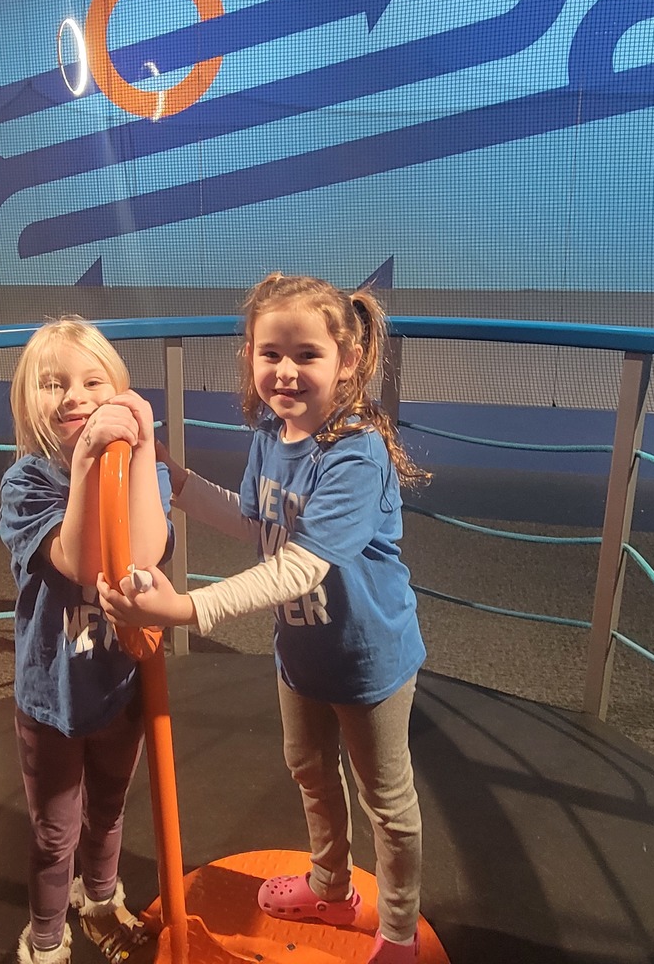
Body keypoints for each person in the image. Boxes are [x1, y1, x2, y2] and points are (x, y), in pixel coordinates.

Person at [98, 273, 431, 964]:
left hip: (369, 661)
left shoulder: (355, 454)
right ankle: (330, 886)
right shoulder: (269, 437)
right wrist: (179, 482)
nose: (286, 370)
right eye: (269, 352)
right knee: (308, 766)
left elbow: (300, 566)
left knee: (387, 803)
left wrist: (187, 608)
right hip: (301, 654)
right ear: (249, 355)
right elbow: (258, 525)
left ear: (347, 361)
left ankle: (396, 932)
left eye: (306, 354)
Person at [0, 317, 173, 964]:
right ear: (28, 400)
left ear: (118, 392)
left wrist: (144, 446)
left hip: (118, 684)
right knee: (54, 830)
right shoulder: (28, 483)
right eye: (53, 383)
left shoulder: (136, 469)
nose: (73, 396)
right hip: (52, 698)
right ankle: (45, 936)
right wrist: (86, 463)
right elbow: (77, 560)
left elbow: (148, 551)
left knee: (107, 812)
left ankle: (99, 898)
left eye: (92, 381)